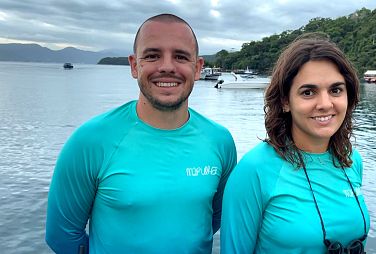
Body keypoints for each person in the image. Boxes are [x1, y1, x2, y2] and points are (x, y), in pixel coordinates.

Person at [46, 13, 237, 253]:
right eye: (152, 56)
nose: (167, 67)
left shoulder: (220, 142)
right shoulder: (91, 141)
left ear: (197, 68)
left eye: (180, 56)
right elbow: (62, 235)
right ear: (135, 65)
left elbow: (212, 220)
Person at [220, 33, 370, 254]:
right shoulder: (255, 170)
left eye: (336, 90)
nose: (325, 104)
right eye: (308, 92)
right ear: (285, 102)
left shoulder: (351, 161)